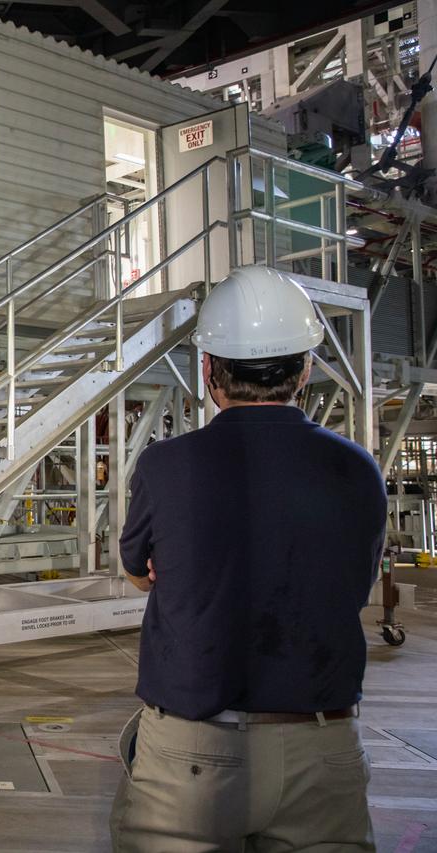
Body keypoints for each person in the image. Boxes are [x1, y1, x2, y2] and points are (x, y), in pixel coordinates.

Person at [109, 265, 387, 851]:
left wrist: (169, 571)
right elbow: (350, 588)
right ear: (305, 367)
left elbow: (138, 570)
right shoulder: (358, 470)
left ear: (208, 369)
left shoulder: (166, 466)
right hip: (322, 746)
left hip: (193, 751)